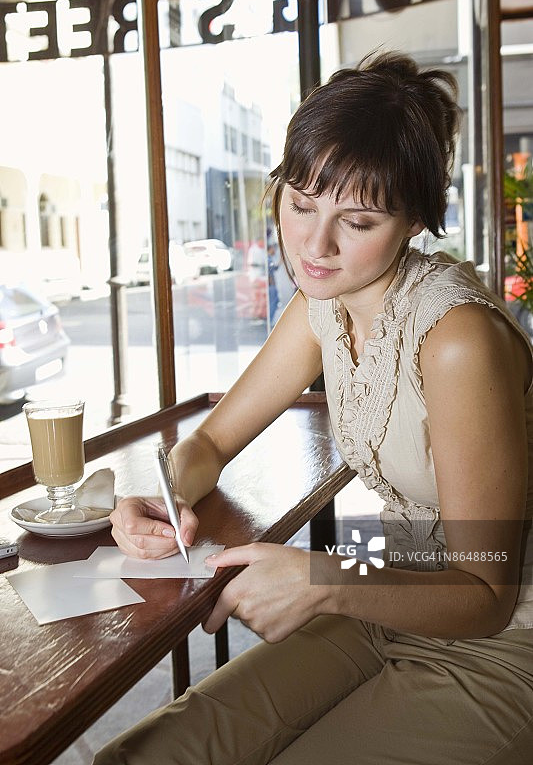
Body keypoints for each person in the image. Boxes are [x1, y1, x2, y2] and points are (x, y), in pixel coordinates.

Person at [94, 52, 533, 764]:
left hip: (501, 644)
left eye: (356, 222)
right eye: (299, 205)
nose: (314, 245)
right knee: (145, 756)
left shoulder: (457, 341)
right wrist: (159, 497)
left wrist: (321, 578)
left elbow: (486, 592)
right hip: (379, 604)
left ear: (414, 220)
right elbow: (210, 443)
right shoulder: (319, 307)